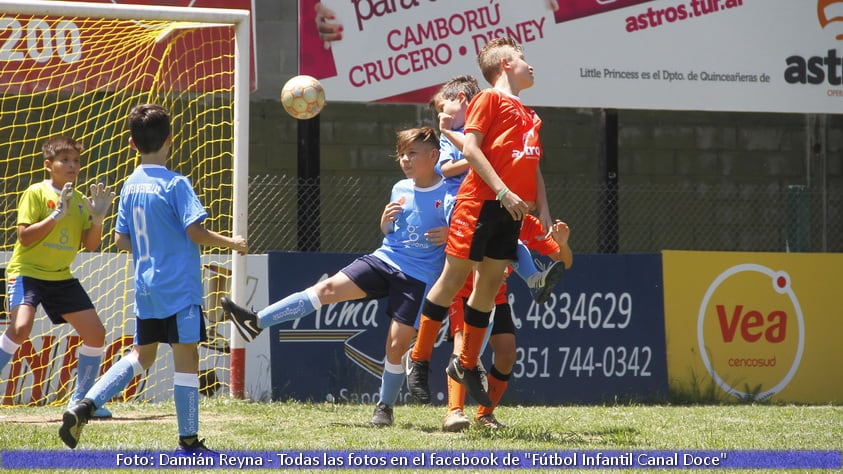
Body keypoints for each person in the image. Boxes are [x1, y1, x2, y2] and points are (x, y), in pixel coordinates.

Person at [220, 127, 449, 428]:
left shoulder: (449, 191)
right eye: (401, 153)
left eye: (412, 153)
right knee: (326, 288)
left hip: (418, 278)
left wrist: (451, 232)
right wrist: (384, 224)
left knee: (395, 345)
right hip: (384, 260)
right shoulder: (399, 188)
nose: (405, 159)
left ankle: (385, 408)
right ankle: (256, 321)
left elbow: (467, 236)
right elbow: (392, 232)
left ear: (433, 155)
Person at [59, 104, 248, 452]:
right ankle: (189, 440)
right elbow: (195, 232)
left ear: (132, 144)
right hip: (179, 288)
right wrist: (232, 243)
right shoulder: (176, 184)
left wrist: (156, 245)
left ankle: (84, 405)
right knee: (187, 359)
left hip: (147, 288)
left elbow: (120, 239)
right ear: (170, 141)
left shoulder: (130, 185)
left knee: (141, 356)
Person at [401, 37, 553, 408]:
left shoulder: (531, 115)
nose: (528, 65)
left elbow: (531, 166)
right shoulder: (488, 99)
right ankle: (418, 358)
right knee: (453, 281)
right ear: (503, 65)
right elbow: (470, 149)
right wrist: (502, 191)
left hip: (510, 211)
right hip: (479, 203)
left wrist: (543, 209)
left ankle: (465, 364)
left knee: (487, 290)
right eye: (521, 58)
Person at [0, 136, 115, 419]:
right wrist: (55, 216)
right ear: (48, 165)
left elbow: (90, 245)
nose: (72, 165)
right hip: (27, 273)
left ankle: (81, 401)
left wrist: (98, 220)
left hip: (61, 277)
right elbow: (25, 238)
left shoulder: (79, 200)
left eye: (76, 160)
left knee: (96, 334)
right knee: (20, 328)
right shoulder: (36, 192)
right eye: (65, 160)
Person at [442, 217, 573, 431]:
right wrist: (488, 271)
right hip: (463, 292)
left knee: (507, 355)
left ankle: (485, 415)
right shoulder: (486, 211)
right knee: (462, 348)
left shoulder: (531, 225)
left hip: (496, 295)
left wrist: (563, 243)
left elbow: (565, 262)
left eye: (529, 196)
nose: (526, 200)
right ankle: (454, 413)